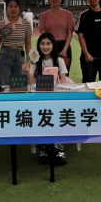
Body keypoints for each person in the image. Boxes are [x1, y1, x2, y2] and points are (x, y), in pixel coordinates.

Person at [22, 32, 68, 165]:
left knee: (59, 116)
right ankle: (44, 149)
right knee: (39, 115)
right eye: (42, 44)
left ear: (53, 45)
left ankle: (59, 149)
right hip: (39, 98)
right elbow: (30, 84)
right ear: (38, 46)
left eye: (48, 43)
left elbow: (63, 82)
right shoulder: (35, 60)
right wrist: (28, 71)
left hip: (55, 98)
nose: (45, 47)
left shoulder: (59, 60)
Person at [0, 0, 32, 86]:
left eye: (15, 6)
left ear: (19, 8)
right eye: (10, 6)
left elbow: (28, 43)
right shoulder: (1, 24)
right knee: (3, 84)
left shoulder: (26, 24)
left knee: (19, 85)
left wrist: (28, 60)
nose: (13, 9)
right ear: (6, 9)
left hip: (20, 55)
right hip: (4, 54)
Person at [39, 0, 75, 72]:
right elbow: (43, 33)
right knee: (49, 73)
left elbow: (70, 33)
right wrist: (47, 47)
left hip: (64, 46)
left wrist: (65, 49)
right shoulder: (44, 15)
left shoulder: (68, 14)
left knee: (64, 74)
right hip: (49, 46)